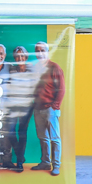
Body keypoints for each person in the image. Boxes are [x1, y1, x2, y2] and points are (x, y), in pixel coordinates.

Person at [31, 41, 65, 176]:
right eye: (37, 51)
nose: (40, 53)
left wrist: (54, 106)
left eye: (42, 50)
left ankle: (56, 165)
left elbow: (61, 89)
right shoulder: (36, 68)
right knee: (43, 137)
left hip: (50, 109)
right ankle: (45, 162)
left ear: (47, 52)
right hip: (37, 108)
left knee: (54, 138)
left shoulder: (55, 67)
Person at [6, 46, 38, 172]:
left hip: (27, 106)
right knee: (10, 132)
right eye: (17, 56)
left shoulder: (31, 70)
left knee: (22, 133)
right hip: (13, 105)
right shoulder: (11, 69)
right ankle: (20, 156)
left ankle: (19, 162)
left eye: (22, 56)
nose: (20, 58)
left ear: (26, 57)